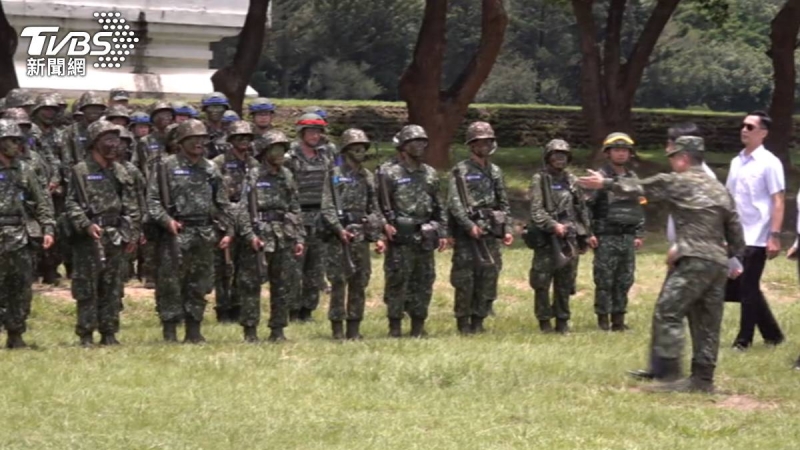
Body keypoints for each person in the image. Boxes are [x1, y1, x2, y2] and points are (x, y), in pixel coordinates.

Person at [578, 136, 746, 393]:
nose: (670, 162)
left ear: (683, 158)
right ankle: (703, 380)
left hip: (693, 259)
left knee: (668, 311)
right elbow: (736, 233)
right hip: (717, 264)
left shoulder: (679, 181)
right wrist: (729, 253)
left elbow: (641, 187)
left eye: (671, 157)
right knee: (707, 321)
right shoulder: (720, 189)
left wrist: (605, 182)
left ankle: (668, 374)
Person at [629, 123, 721, 382]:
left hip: (693, 255)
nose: (667, 150)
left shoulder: (704, 179)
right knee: (668, 308)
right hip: (686, 252)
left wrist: (680, 247)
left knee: (682, 313)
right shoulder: (685, 176)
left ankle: (674, 373)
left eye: (670, 145)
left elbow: (707, 224)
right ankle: (661, 367)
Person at [147, 119, 235, 343]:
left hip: (204, 232)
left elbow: (223, 203)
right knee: (170, 283)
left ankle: (194, 330)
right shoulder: (166, 166)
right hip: (176, 232)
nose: (199, 143)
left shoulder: (210, 168)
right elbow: (153, 201)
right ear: (181, 142)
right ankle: (170, 331)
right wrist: (167, 221)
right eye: (193, 139)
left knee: (200, 283)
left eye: (202, 139)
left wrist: (229, 230)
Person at [64, 120, 140, 346]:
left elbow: (131, 205)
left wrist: (132, 234)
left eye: (116, 140)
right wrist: (86, 224)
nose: (114, 145)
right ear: (95, 143)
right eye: (108, 140)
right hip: (90, 237)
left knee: (113, 286)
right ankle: (86, 334)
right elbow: (71, 204)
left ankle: (109, 332)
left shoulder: (121, 170)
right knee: (87, 287)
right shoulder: (81, 171)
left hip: (116, 235)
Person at [376, 125, 448, 337]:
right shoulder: (389, 173)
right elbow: (377, 205)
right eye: (414, 142)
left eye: (423, 142)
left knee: (424, 281)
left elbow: (439, 205)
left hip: (425, 235)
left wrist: (442, 231)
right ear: (404, 146)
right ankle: (395, 326)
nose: (420, 146)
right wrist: (383, 227)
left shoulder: (430, 173)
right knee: (398, 281)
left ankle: (418, 325)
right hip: (400, 235)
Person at [236, 129, 305, 342]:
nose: (280, 154)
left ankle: (278, 329)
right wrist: (249, 236)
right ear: (265, 152)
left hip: (283, 234)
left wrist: (299, 237)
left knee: (283, 283)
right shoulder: (253, 175)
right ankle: (250, 330)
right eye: (276, 149)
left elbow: (294, 207)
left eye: (283, 149)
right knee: (251, 284)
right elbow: (243, 209)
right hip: (260, 234)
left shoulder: (286, 175)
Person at [726, 111, 785, 351]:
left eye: (750, 127)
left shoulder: (770, 163)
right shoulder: (735, 161)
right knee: (739, 287)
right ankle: (772, 334)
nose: (744, 130)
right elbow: (728, 199)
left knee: (748, 287)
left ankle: (744, 340)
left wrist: (774, 235)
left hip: (757, 236)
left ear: (763, 133)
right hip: (736, 234)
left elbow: (778, 200)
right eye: (743, 125)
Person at [446, 121, 513, 334]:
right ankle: (463, 323)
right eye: (479, 142)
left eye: (487, 141)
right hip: (469, 233)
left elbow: (503, 202)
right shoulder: (461, 170)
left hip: (491, 231)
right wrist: (468, 225)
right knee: (465, 279)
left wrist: (507, 228)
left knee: (489, 277)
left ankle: (479, 320)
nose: (484, 146)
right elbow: (454, 203)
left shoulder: (495, 171)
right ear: (471, 145)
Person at [320, 128, 385, 340]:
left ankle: (355, 328)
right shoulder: (334, 175)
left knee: (360, 281)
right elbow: (327, 207)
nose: (359, 152)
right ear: (346, 150)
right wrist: (339, 229)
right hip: (339, 235)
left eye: (362, 148)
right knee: (338, 282)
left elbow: (375, 207)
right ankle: (337, 328)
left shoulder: (368, 176)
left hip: (361, 235)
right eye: (355, 148)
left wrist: (377, 233)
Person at [526, 139, 595, 334]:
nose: (559, 158)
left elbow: (581, 209)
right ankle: (544, 321)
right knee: (541, 282)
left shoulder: (572, 180)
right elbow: (536, 210)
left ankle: (563, 321)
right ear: (548, 157)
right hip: (547, 239)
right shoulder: (539, 179)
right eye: (555, 155)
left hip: (569, 239)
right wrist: (553, 225)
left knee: (565, 283)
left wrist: (587, 234)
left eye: (563, 155)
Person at [0, 119, 55, 348]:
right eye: (11, 140)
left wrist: (48, 227)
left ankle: (16, 334)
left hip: (20, 235)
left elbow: (42, 201)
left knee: (20, 286)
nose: (17, 145)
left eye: (18, 140)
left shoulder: (26, 169)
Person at [587, 132, 644, 331]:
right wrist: (589, 233)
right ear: (608, 153)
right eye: (617, 150)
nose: (621, 154)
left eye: (624, 151)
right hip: (606, 236)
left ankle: (618, 320)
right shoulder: (599, 178)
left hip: (627, 237)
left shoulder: (632, 178)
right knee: (604, 279)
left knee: (624, 279)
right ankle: (603, 320)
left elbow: (639, 206)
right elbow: (587, 207)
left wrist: (638, 233)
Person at [285, 113, 333, 322]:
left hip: (320, 217)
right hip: (297, 217)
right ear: (302, 133)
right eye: (311, 131)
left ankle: (308, 310)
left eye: (318, 131)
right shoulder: (290, 158)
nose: (315, 135)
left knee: (316, 268)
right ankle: (292, 310)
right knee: (294, 268)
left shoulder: (326, 157)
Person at [211, 120, 259, 323]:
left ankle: (239, 305)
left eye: (247, 138)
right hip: (224, 217)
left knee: (245, 265)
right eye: (239, 138)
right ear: (231, 140)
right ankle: (223, 307)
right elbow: (212, 193)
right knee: (223, 266)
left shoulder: (254, 164)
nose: (243, 142)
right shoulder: (218, 163)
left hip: (247, 216)